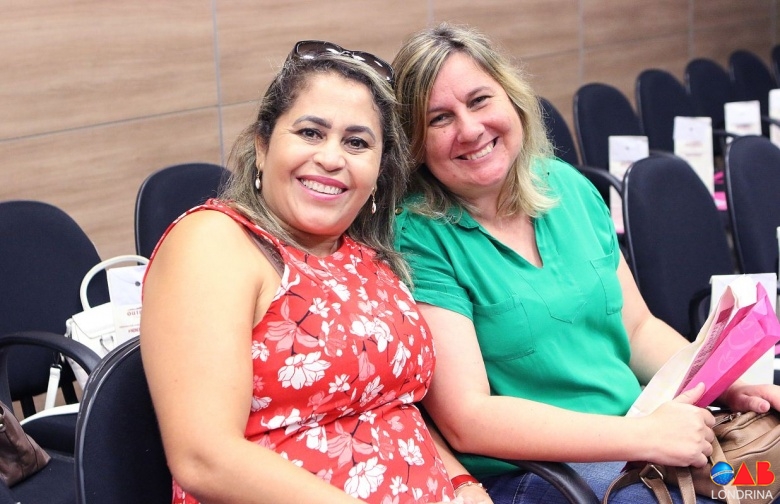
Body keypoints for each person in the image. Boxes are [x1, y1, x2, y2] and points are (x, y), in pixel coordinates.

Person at [391, 22, 780, 504]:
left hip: (637, 435)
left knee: (762, 482)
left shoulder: (565, 184)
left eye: (479, 100)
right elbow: (468, 419)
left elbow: (637, 329)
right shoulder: (417, 236)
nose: (470, 129)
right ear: (414, 142)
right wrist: (641, 437)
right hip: (540, 470)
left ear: (512, 99)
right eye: (439, 119)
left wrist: (725, 385)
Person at [140, 41, 492, 504]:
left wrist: (463, 483)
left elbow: (395, 406)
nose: (331, 158)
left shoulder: (366, 257)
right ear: (262, 146)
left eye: (357, 142)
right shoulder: (216, 241)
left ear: (378, 173)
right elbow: (204, 458)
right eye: (310, 132)